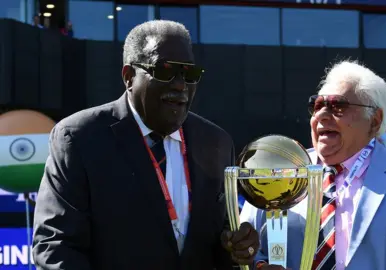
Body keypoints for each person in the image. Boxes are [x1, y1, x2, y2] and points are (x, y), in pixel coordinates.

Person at [32, 20, 259, 270]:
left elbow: (220, 245)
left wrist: (238, 247)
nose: (180, 85)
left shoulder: (216, 142)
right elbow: (54, 247)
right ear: (129, 77)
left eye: (189, 74)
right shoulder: (79, 138)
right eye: (164, 71)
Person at [241, 60, 386, 270]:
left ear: (374, 121)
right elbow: (244, 247)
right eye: (317, 106)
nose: (322, 115)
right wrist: (258, 265)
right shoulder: (275, 171)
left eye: (338, 106)